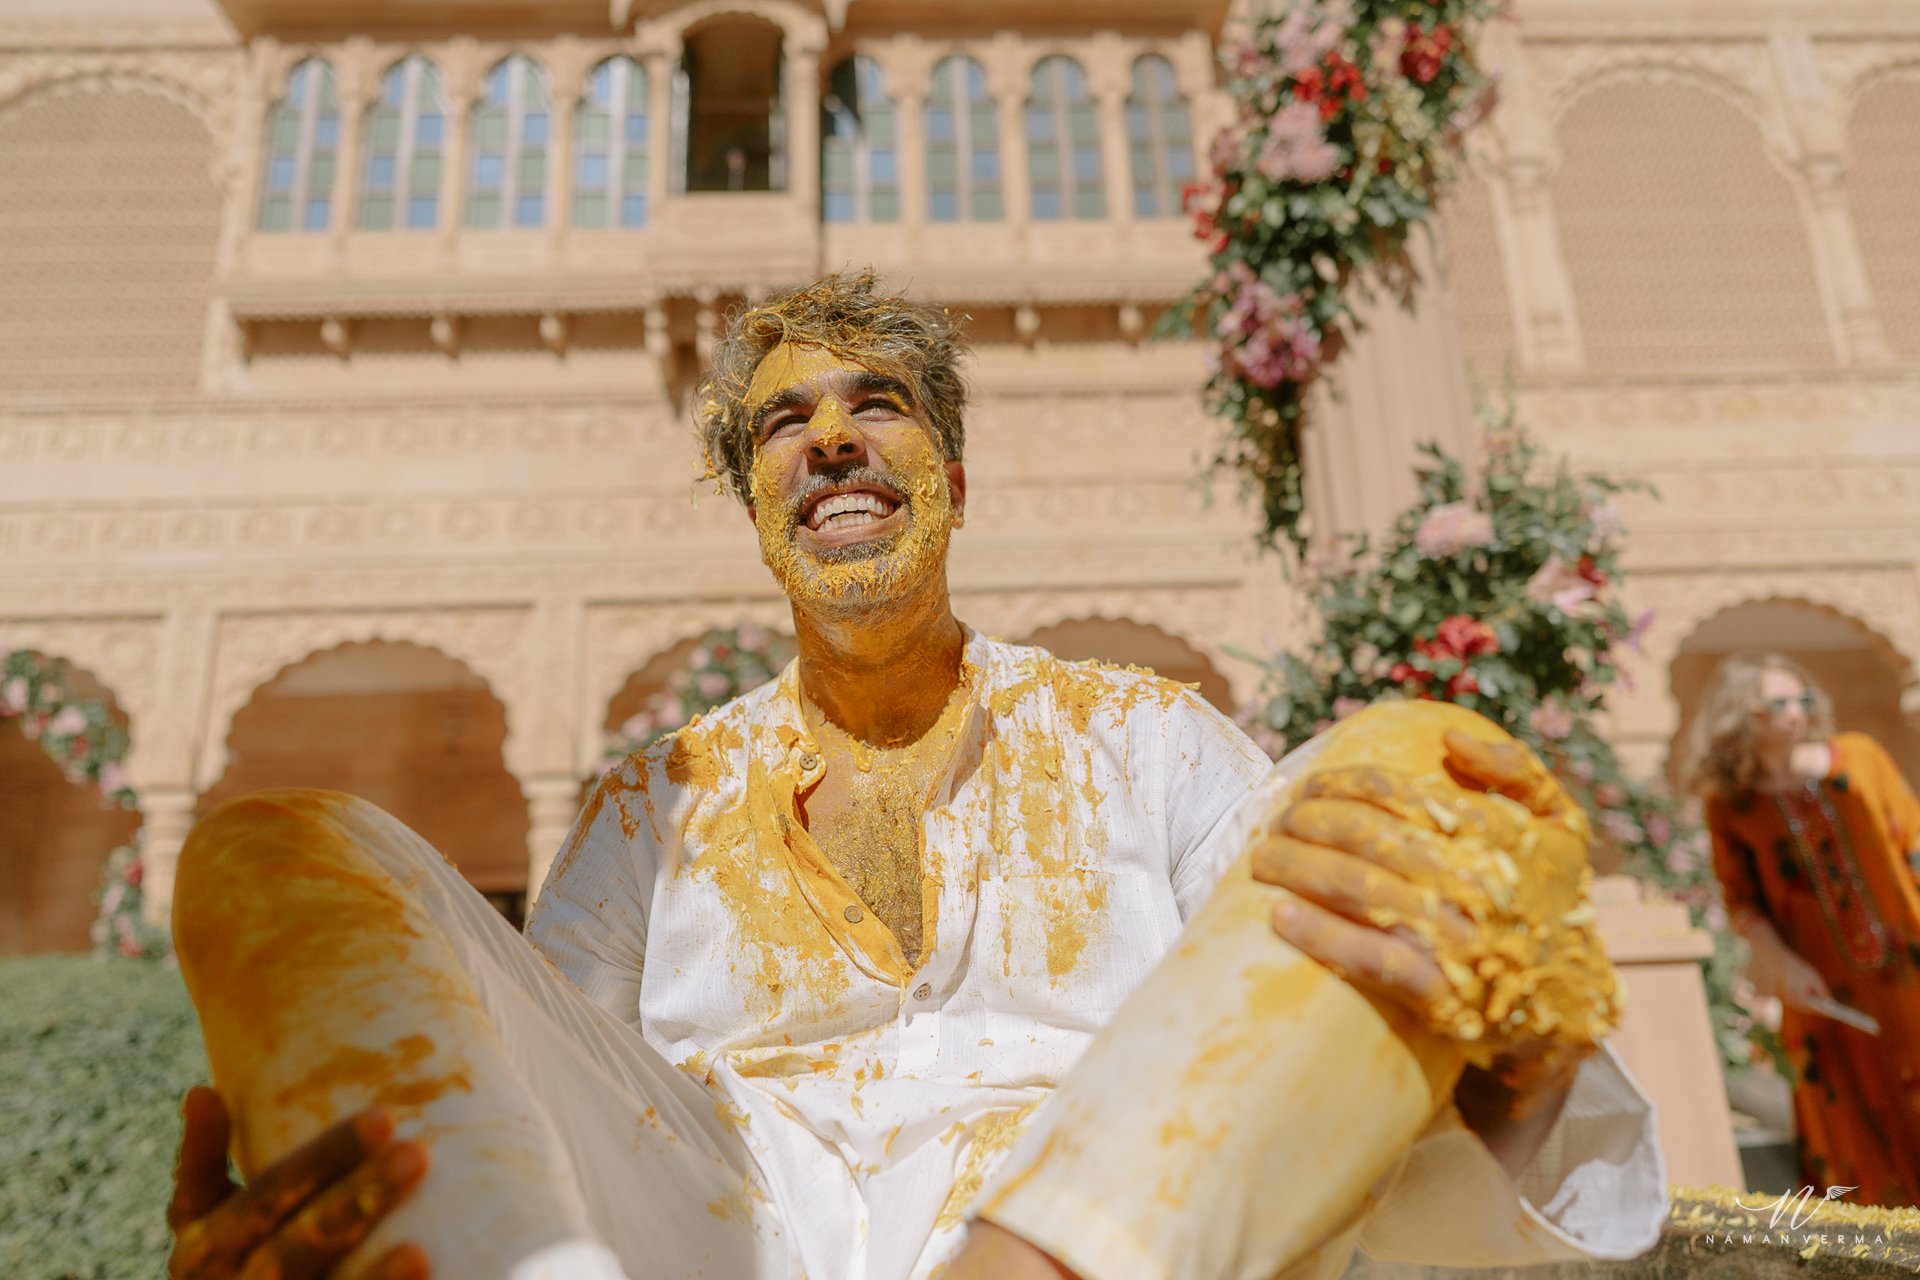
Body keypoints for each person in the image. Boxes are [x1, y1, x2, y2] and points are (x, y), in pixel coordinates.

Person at [164, 272, 1664, 1280]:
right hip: (727, 1244)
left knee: (1400, 775)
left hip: (1126, 1231)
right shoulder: (651, 808)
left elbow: (1312, 1006)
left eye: (875, 403)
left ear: (953, 475)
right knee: (275, 847)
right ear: (759, 512)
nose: (827, 437)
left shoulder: (1141, 738)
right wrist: (355, 1195)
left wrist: (1495, 1042)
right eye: (780, 427)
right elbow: (545, 1090)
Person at [1681, 652, 1920, 1207]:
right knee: (1848, 1121)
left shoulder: (1859, 760)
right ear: (1746, 715)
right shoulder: (1734, 803)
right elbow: (1742, 903)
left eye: (1803, 699)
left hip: (1907, 972)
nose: (1797, 712)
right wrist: (1784, 965)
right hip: (1821, 992)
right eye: (1779, 703)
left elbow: (1912, 843)